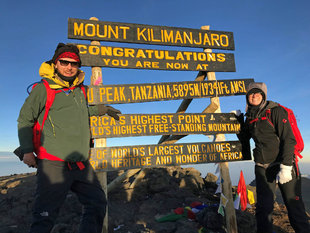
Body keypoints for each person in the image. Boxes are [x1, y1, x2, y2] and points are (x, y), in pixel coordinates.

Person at [17, 43, 121, 233]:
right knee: (44, 216)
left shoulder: (79, 90)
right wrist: (26, 150)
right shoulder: (44, 88)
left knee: (97, 203)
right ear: (56, 63)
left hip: (80, 163)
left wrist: (102, 109)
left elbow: (80, 111)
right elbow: (25, 118)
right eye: (64, 62)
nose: (69, 67)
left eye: (74, 63)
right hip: (53, 163)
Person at [237, 82, 310, 233]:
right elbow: (245, 140)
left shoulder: (275, 111)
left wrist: (286, 167)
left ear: (263, 96)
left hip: (284, 165)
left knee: (294, 208)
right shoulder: (251, 116)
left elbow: (288, 139)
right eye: (251, 93)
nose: (254, 95)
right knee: (264, 209)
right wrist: (239, 123)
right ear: (247, 98)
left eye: (258, 93)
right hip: (262, 167)